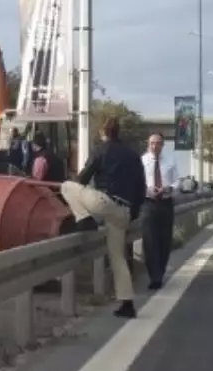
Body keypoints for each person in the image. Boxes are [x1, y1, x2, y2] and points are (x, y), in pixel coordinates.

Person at [60, 118, 147, 318]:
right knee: (118, 258)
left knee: (67, 186)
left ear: (104, 133)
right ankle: (127, 303)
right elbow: (141, 189)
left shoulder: (102, 150)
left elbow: (82, 179)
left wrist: (82, 195)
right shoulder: (133, 155)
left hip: (105, 202)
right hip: (124, 212)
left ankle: (84, 220)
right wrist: (132, 213)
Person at [141, 133, 178, 290]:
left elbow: (178, 181)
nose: (155, 146)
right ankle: (154, 277)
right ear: (148, 144)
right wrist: (147, 190)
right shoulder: (142, 161)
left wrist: (168, 188)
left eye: (158, 143)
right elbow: (137, 182)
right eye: (152, 143)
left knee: (164, 240)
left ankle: (160, 272)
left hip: (165, 203)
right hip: (148, 204)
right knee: (150, 241)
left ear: (163, 145)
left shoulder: (170, 161)